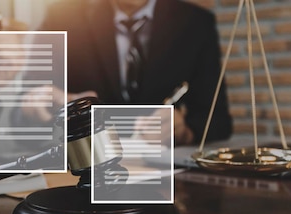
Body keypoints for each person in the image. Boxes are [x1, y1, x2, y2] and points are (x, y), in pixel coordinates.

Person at [34, 0, 233, 146]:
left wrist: (184, 132)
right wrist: (37, 103)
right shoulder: (60, 18)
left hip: (162, 175)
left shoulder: (196, 23)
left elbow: (217, 120)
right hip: (81, 168)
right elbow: (29, 96)